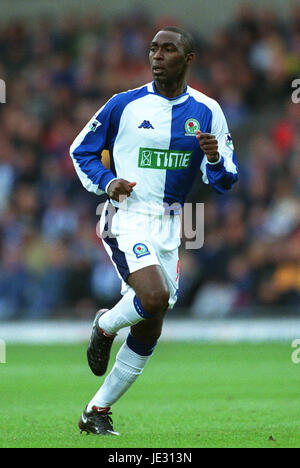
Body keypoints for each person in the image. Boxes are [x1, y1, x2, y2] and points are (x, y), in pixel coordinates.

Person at [70, 26, 238, 436]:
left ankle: (97, 409)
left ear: (188, 58)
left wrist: (214, 160)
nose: (157, 55)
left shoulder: (207, 110)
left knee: (152, 320)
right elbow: (81, 150)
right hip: (126, 214)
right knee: (153, 296)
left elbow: (227, 179)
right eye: (153, 49)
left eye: (168, 49)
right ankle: (105, 326)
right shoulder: (123, 105)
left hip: (169, 224)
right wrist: (108, 182)